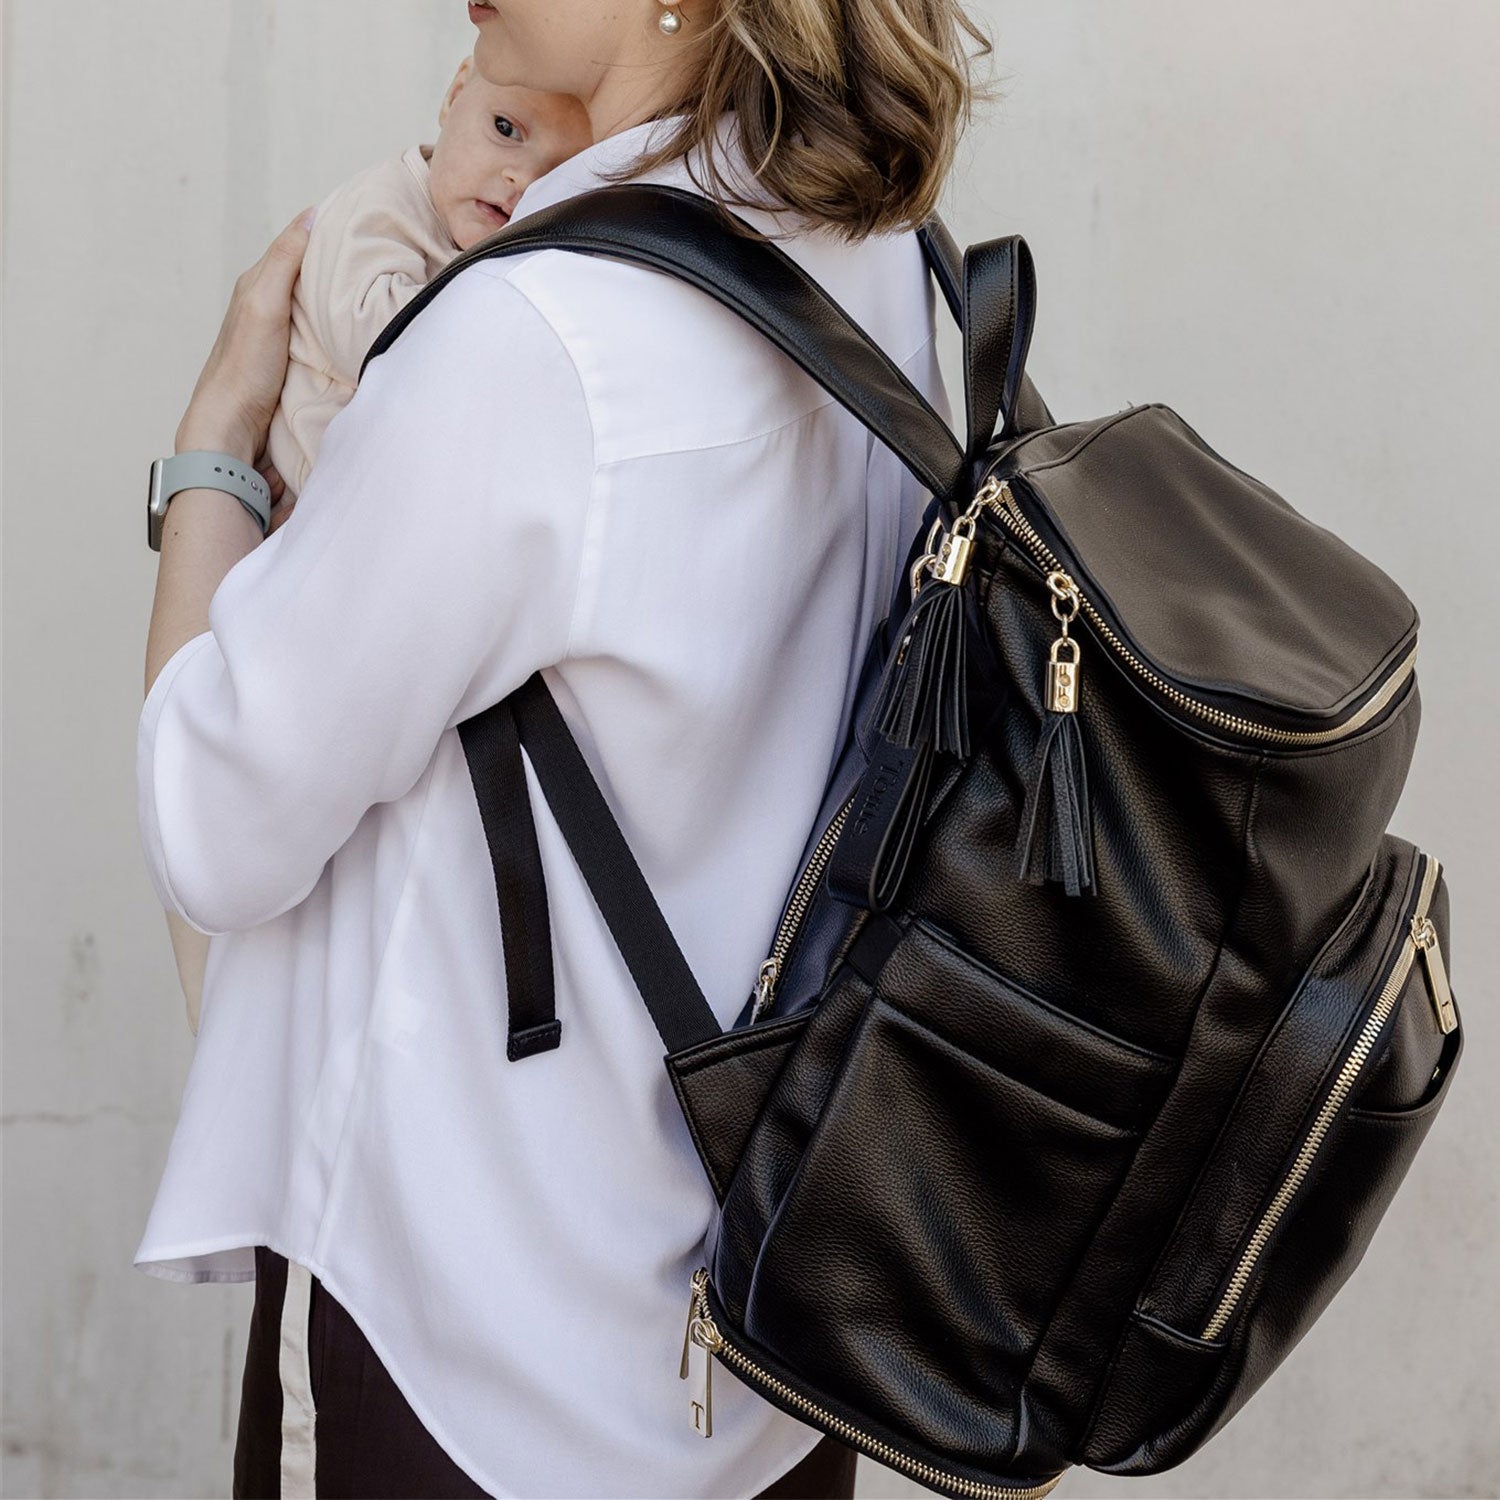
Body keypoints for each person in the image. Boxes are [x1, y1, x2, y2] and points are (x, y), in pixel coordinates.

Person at [136, 0, 983, 1493]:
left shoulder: (530, 343)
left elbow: (218, 823)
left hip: (467, 1351)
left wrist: (212, 453)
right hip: (761, 1344)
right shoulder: (892, 267)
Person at [164, 53, 592, 1027]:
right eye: (505, 133)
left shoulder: (473, 246)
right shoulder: (376, 213)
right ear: (452, 99)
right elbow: (394, 348)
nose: (516, 180)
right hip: (289, 536)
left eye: (554, 173)